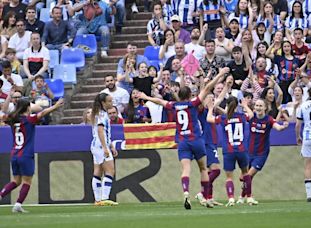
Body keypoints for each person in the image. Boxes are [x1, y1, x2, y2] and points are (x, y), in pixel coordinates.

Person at [138, 67, 229, 209]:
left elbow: (159, 101)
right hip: (196, 140)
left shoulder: (174, 105)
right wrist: (220, 74)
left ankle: (186, 193)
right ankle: (205, 196)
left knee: (185, 170)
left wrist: (146, 97)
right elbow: (208, 88)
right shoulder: (193, 104)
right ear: (189, 95)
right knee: (203, 169)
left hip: (183, 141)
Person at [0, 97, 63, 213]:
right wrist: (55, 106)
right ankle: (18, 205)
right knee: (26, 181)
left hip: (14, 154)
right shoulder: (29, 119)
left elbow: (2, 116)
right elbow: (42, 113)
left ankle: (1, 195)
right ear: (27, 107)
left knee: (16, 181)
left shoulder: (12, 119)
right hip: (26, 154)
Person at [206, 96, 257, 206]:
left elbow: (209, 119)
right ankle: (249, 197)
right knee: (245, 174)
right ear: (236, 105)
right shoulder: (242, 116)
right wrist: (245, 105)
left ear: (227, 105)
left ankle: (231, 199)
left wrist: (210, 108)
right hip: (242, 149)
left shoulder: (223, 118)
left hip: (228, 151)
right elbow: (252, 115)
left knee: (229, 177)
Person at [237, 99, 289, 204]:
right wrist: (245, 105)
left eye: (260, 106)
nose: (258, 108)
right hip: (248, 152)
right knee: (244, 177)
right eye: (256, 105)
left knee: (248, 175)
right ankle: (242, 197)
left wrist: (283, 127)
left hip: (261, 154)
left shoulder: (269, 119)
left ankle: (249, 197)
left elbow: (277, 127)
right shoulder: (251, 117)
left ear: (265, 107)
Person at [90, 93, 118, 206]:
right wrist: (106, 148)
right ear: (103, 103)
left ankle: (98, 199)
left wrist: (111, 145)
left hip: (95, 145)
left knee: (98, 171)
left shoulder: (98, 114)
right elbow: (101, 131)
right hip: (101, 145)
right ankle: (104, 198)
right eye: (109, 101)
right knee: (110, 171)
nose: (111, 103)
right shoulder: (102, 115)